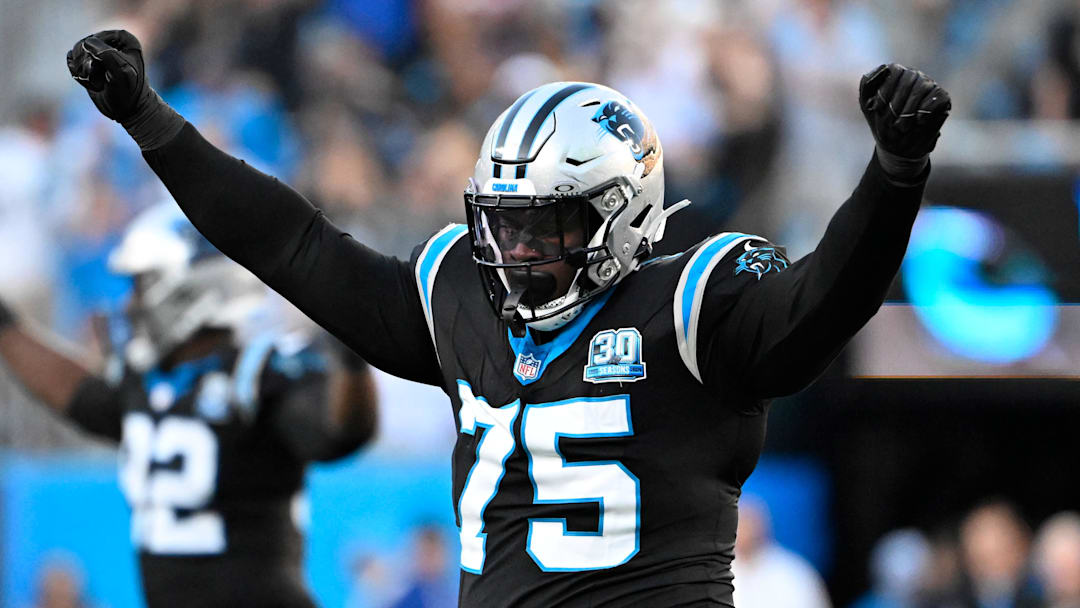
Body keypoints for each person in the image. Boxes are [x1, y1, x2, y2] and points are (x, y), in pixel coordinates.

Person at [66, 29, 950, 606]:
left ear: (621, 215)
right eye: (502, 222)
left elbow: (826, 302)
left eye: (543, 228)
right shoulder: (460, 294)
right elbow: (295, 246)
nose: (513, 250)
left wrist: (893, 175)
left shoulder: (692, 305)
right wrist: (151, 123)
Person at [0, 202, 378, 608]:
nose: (129, 305)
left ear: (188, 288)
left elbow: (341, 432)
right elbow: (73, 390)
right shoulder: (148, 385)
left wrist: (351, 360)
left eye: (140, 286)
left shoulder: (255, 374)